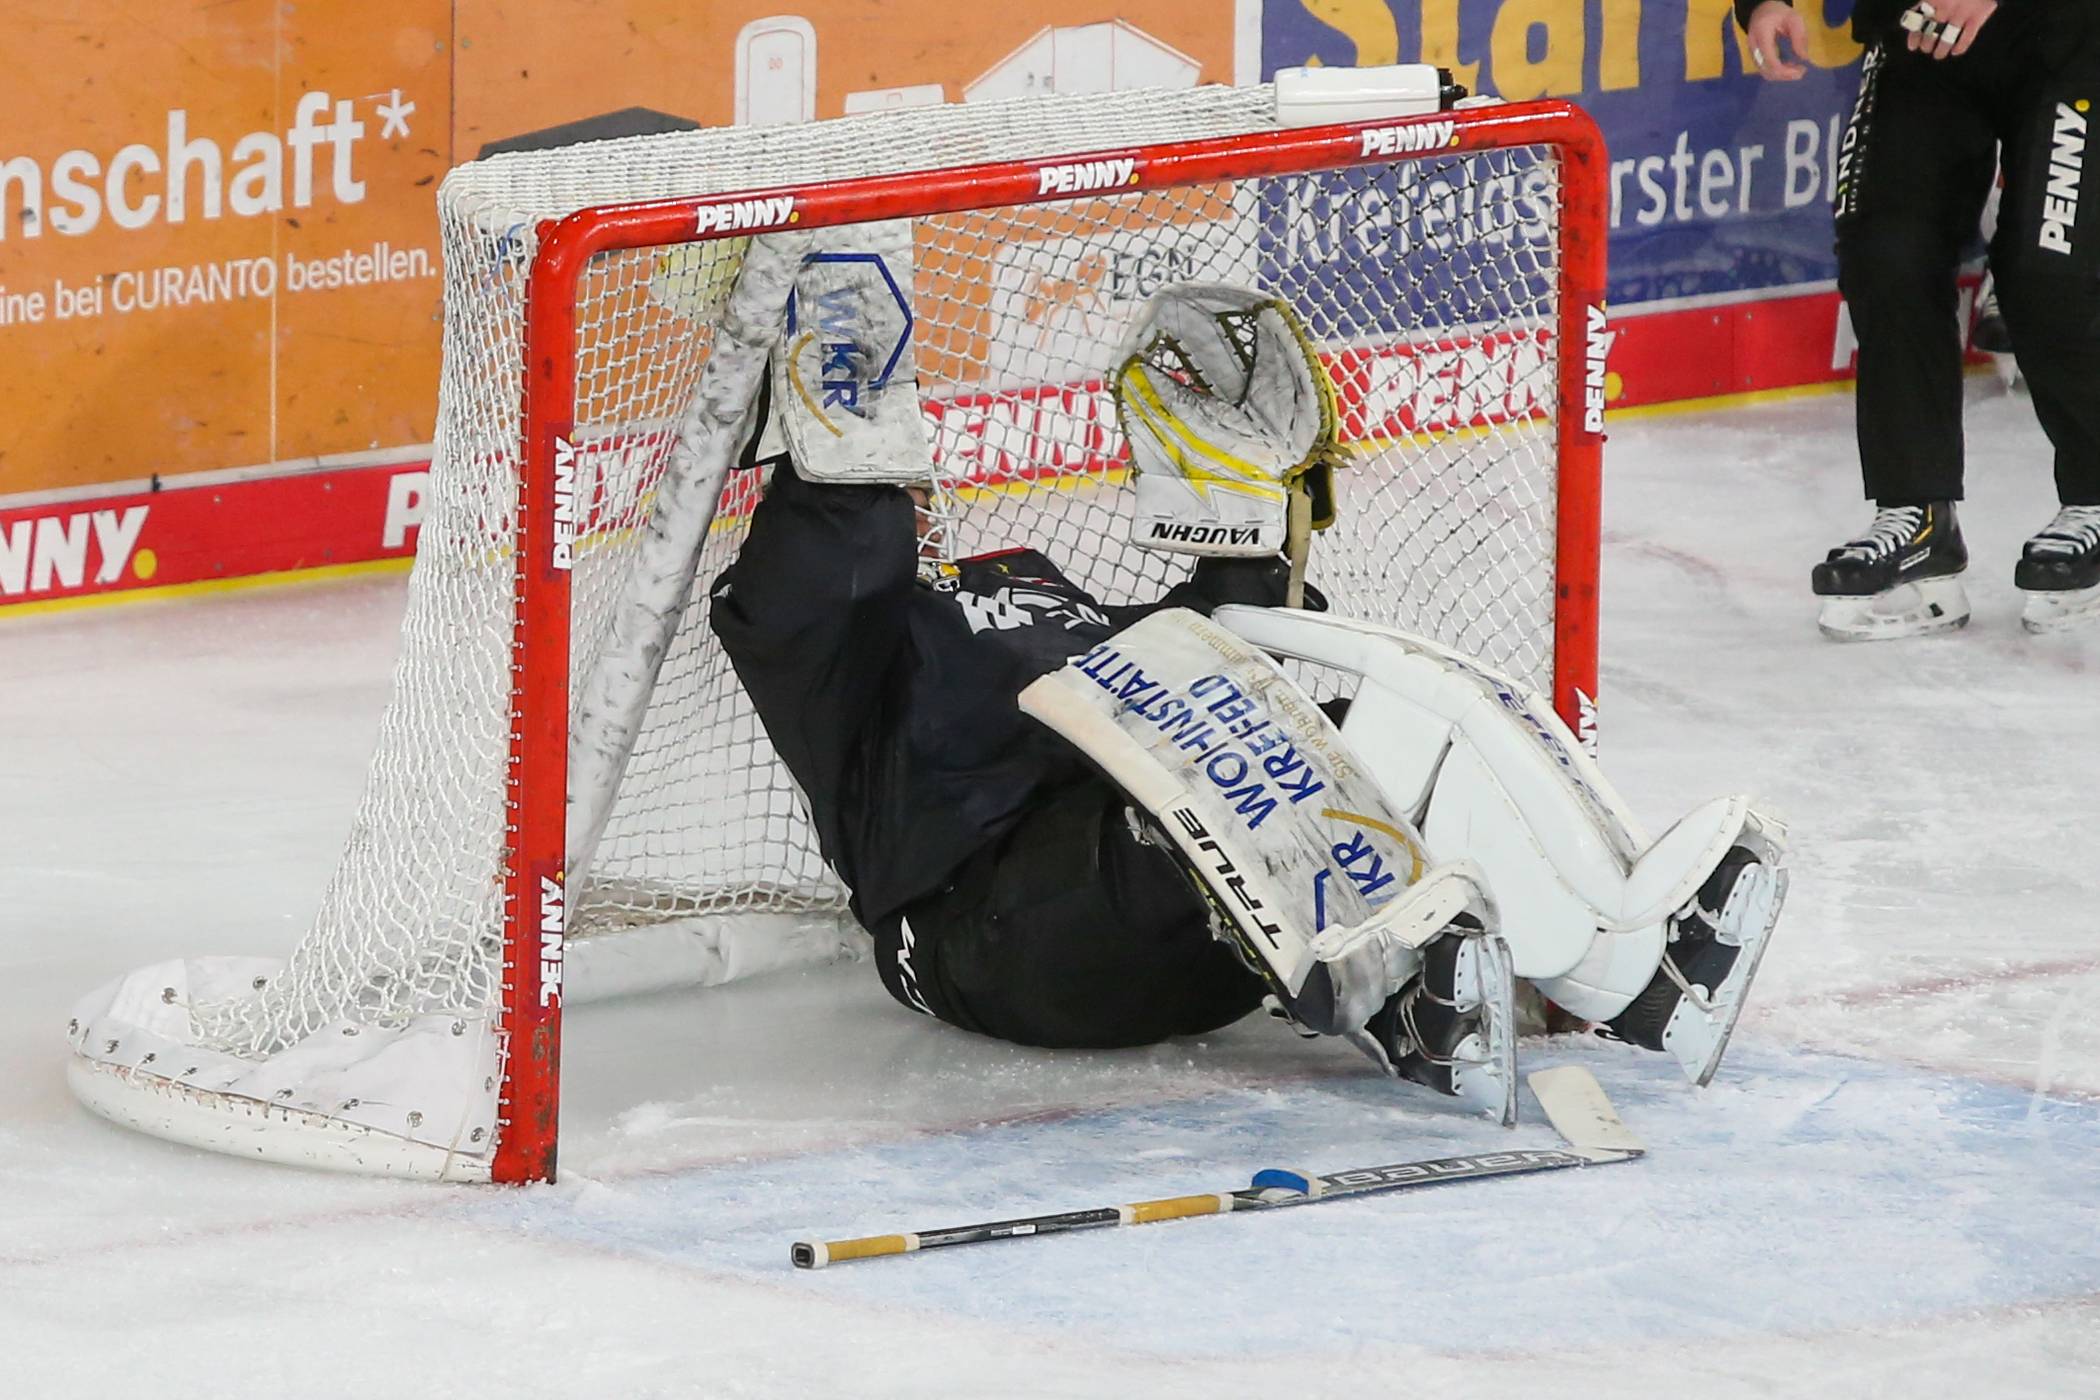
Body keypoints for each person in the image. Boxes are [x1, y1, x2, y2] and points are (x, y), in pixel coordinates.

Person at [709, 275, 1787, 1125]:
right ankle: (1413, 1000)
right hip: (987, 939)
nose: (918, 498)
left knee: (1384, 724)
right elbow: (816, 578)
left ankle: (1633, 974)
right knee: (1204, 768)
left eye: (915, 481)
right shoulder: (848, 649)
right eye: (899, 489)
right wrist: (840, 453)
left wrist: (1250, 509)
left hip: (1201, 925)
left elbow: (1227, 651)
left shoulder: (1050, 589)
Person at [1742, 0, 2100, 636]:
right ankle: (1918, 518)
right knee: (1887, 257)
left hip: (2070, 37)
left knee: (2044, 272)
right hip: (1919, 32)